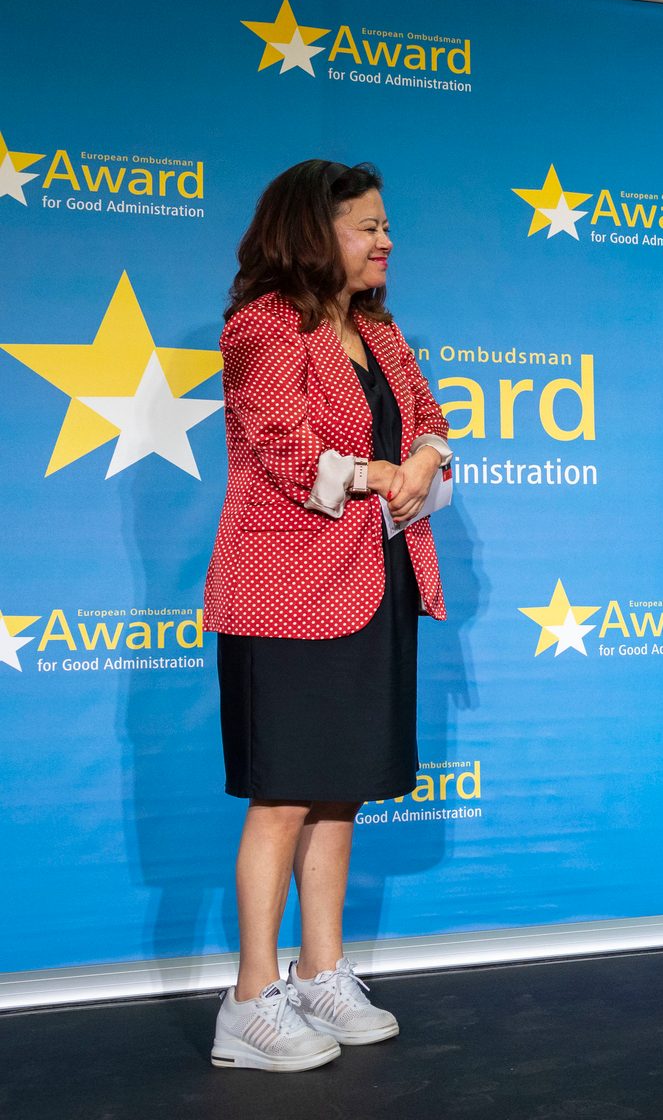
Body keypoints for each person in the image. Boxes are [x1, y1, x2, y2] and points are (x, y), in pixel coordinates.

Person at [203, 160, 452, 1070]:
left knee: (340, 787)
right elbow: (276, 441)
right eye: (366, 226)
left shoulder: (377, 332)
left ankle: (319, 973)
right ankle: (249, 1002)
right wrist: (383, 474)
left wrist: (422, 459)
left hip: (373, 577)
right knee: (283, 795)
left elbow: (427, 417)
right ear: (315, 233)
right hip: (283, 592)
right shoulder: (264, 324)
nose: (385, 240)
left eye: (386, 226)